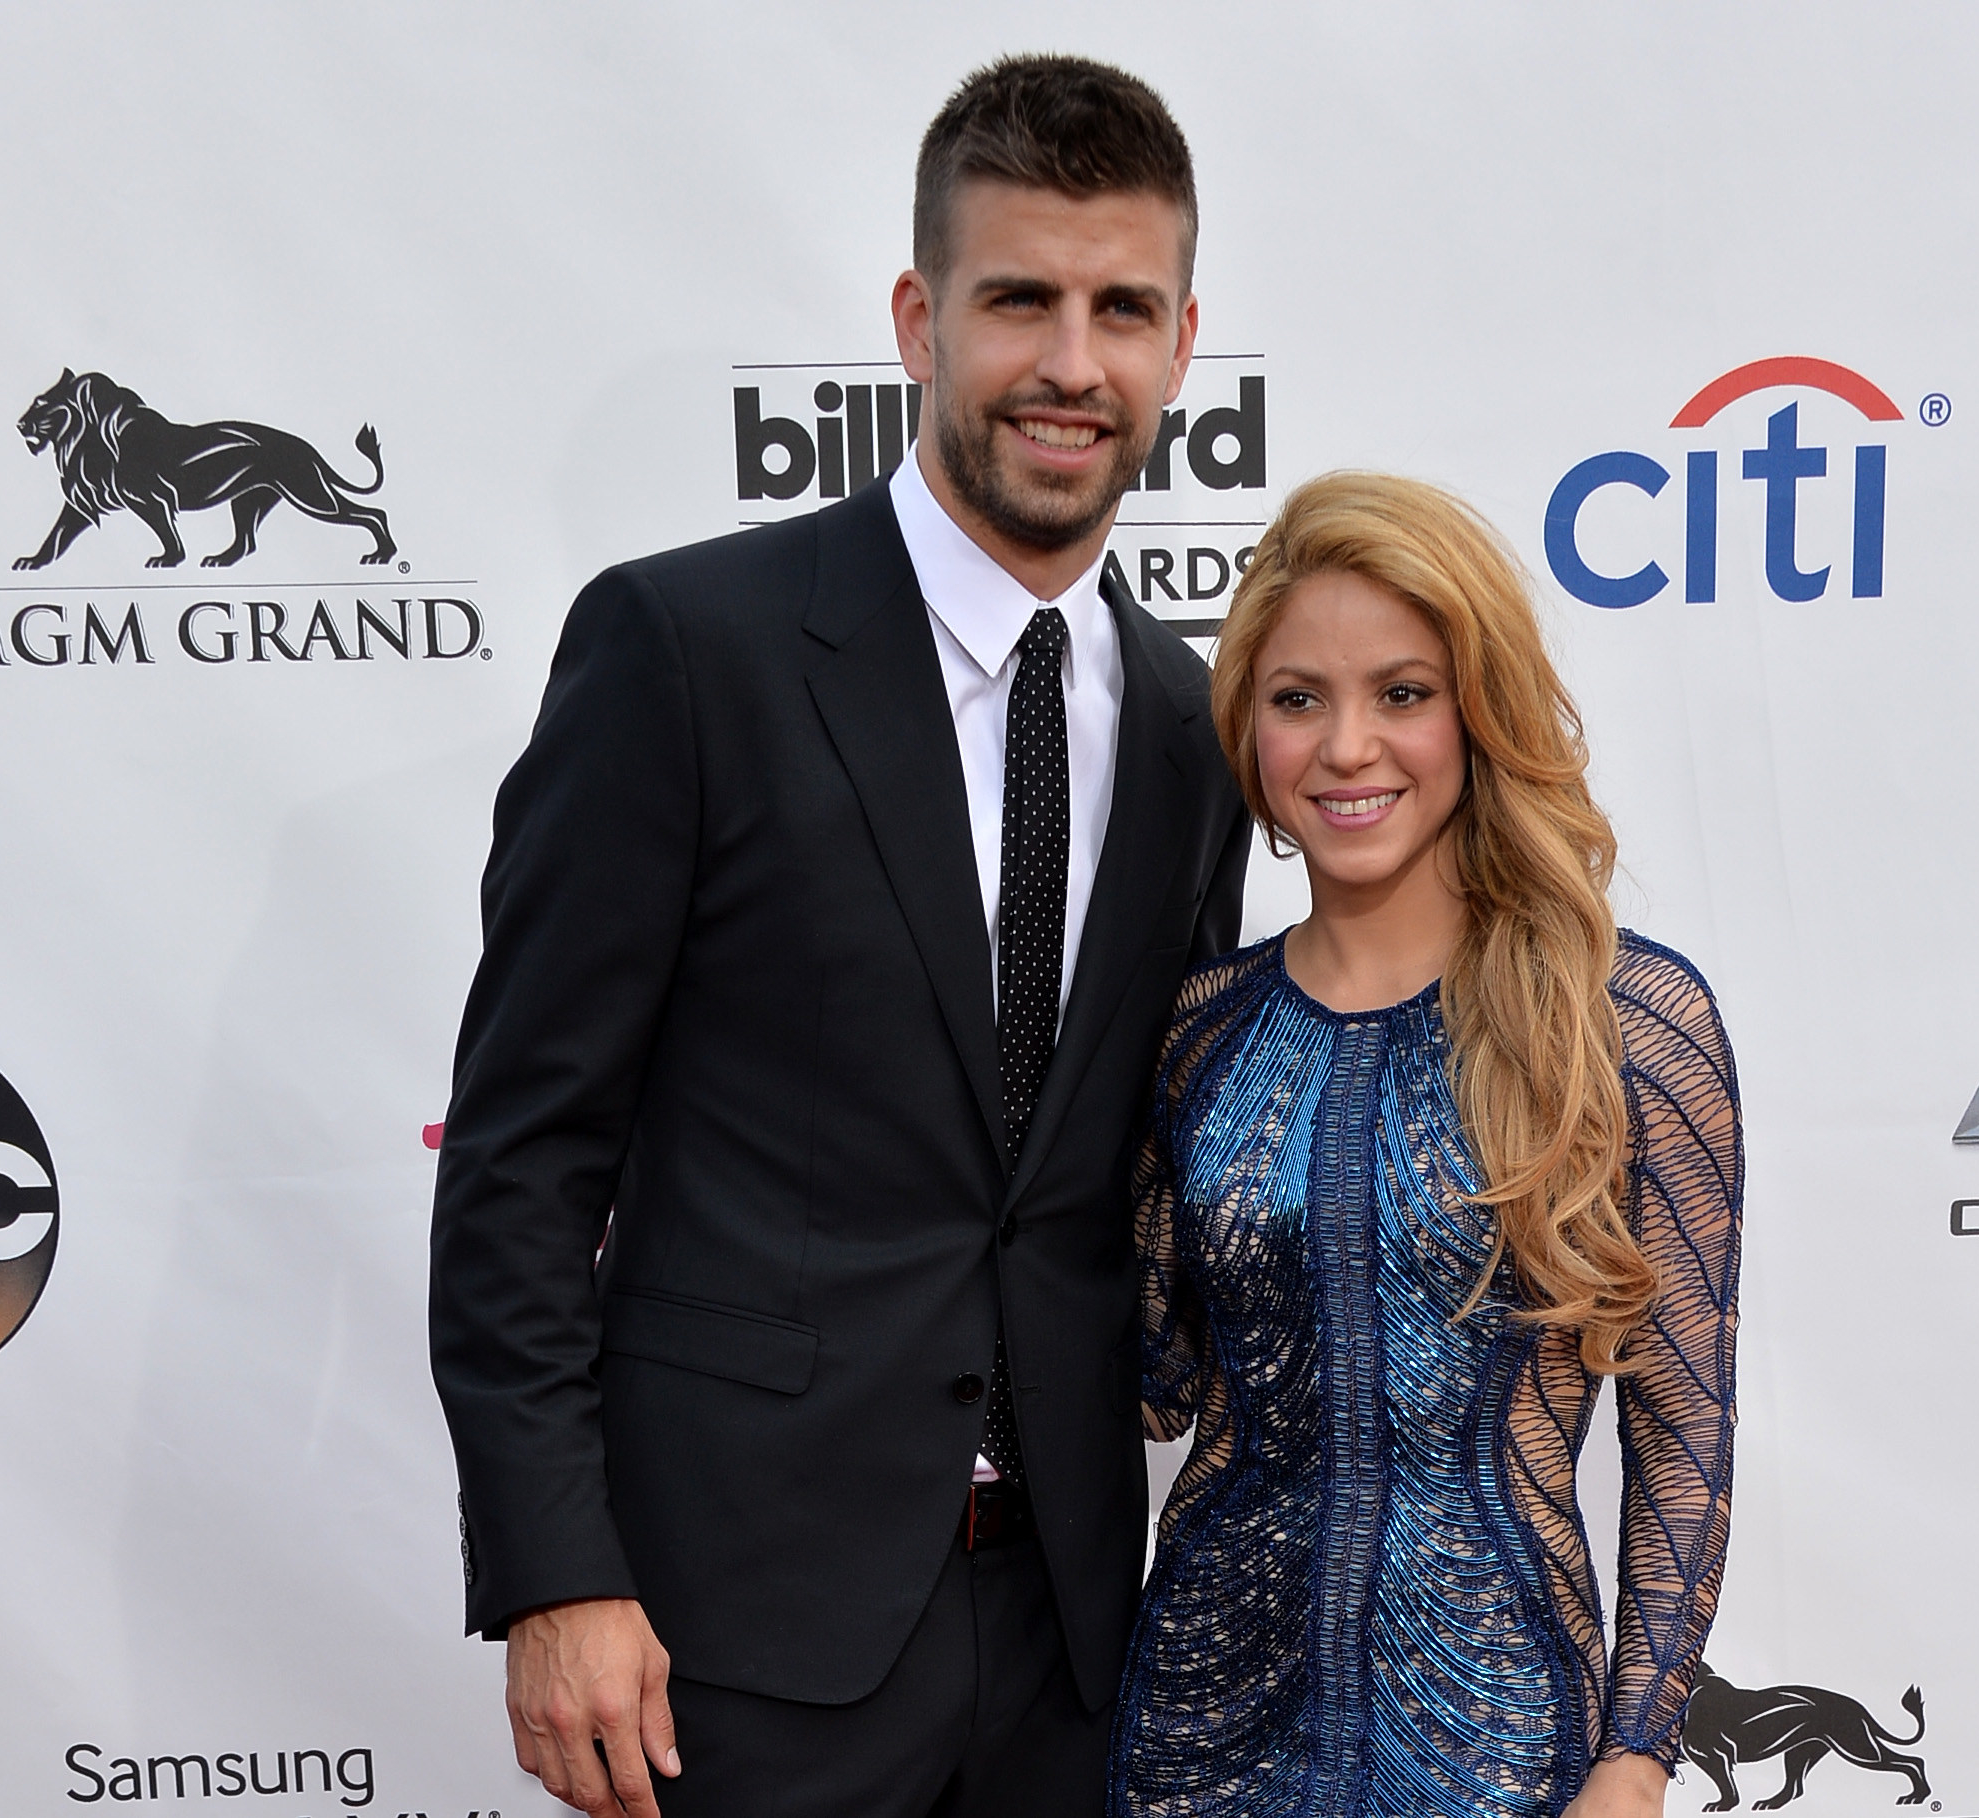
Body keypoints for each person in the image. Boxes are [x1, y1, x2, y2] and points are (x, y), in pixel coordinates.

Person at [428, 55, 1251, 1818]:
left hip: (1072, 1639)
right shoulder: (686, 651)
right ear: (917, 320)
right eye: (1017, 299)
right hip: (736, 1632)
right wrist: (557, 1572)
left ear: (1183, 345)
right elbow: (522, 1155)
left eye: (1121, 309)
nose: (1071, 362)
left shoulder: (1200, 730)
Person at [1111, 473, 1743, 1818]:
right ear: (1249, 733)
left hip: (1501, 1741)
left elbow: (1683, 1419)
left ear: (1478, 712)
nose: (1347, 747)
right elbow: (1152, 1385)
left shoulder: (1621, 1023)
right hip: (1201, 1731)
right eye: (1298, 699)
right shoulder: (1197, 1032)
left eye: (1402, 692)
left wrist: (1637, 1752)